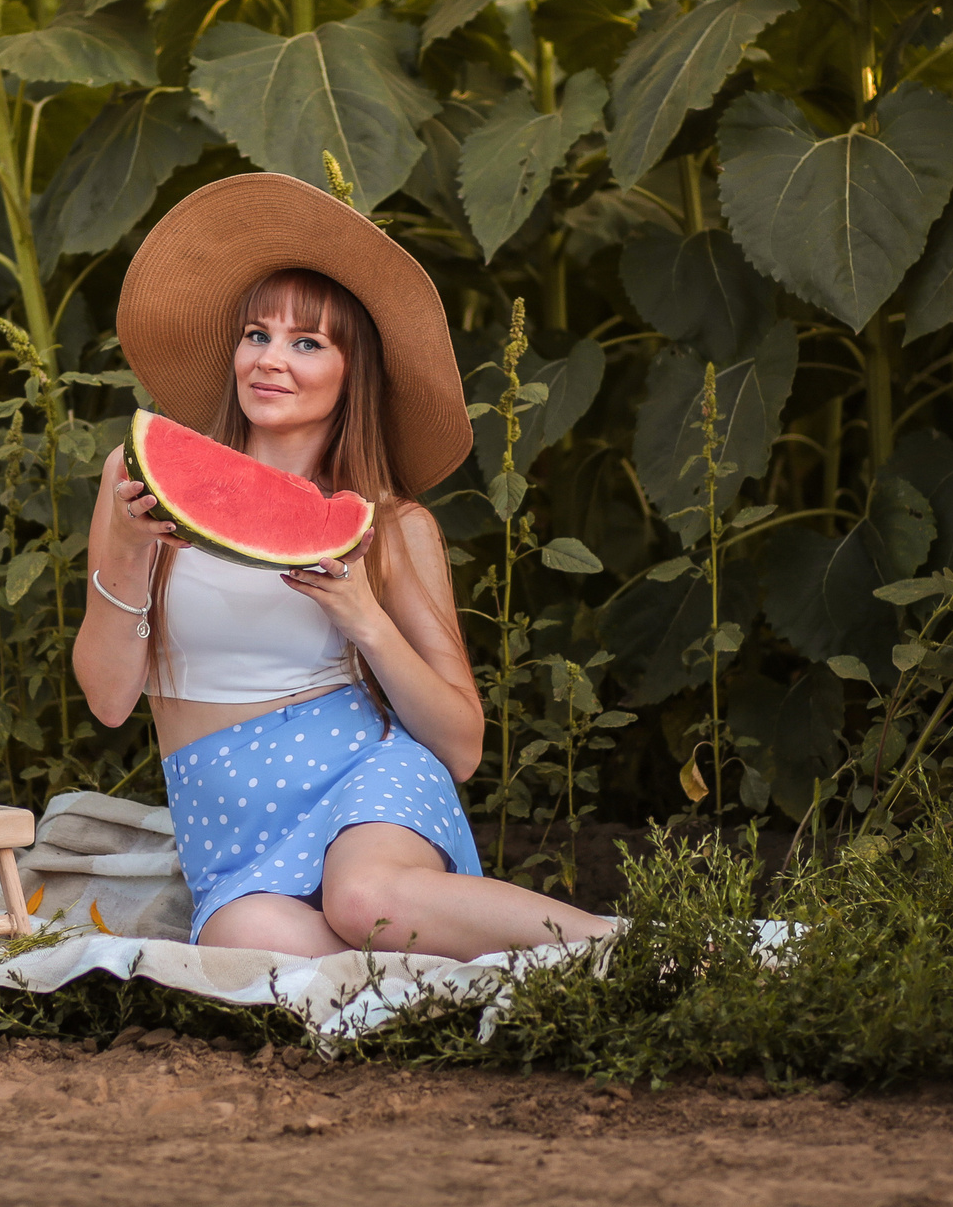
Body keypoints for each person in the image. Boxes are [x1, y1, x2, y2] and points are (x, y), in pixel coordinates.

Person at [75, 173, 615, 959]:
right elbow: (108, 700)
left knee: (365, 899)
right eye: (256, 334)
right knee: (248, 939)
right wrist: (129, 549)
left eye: (308, 342)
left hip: (363, 782)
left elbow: (463, 746)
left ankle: (627, 943)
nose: (270, 360)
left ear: (353, 369)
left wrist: (364, 617)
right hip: (228, 822)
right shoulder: (139, 481)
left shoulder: (393, 527)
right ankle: (499, 957)